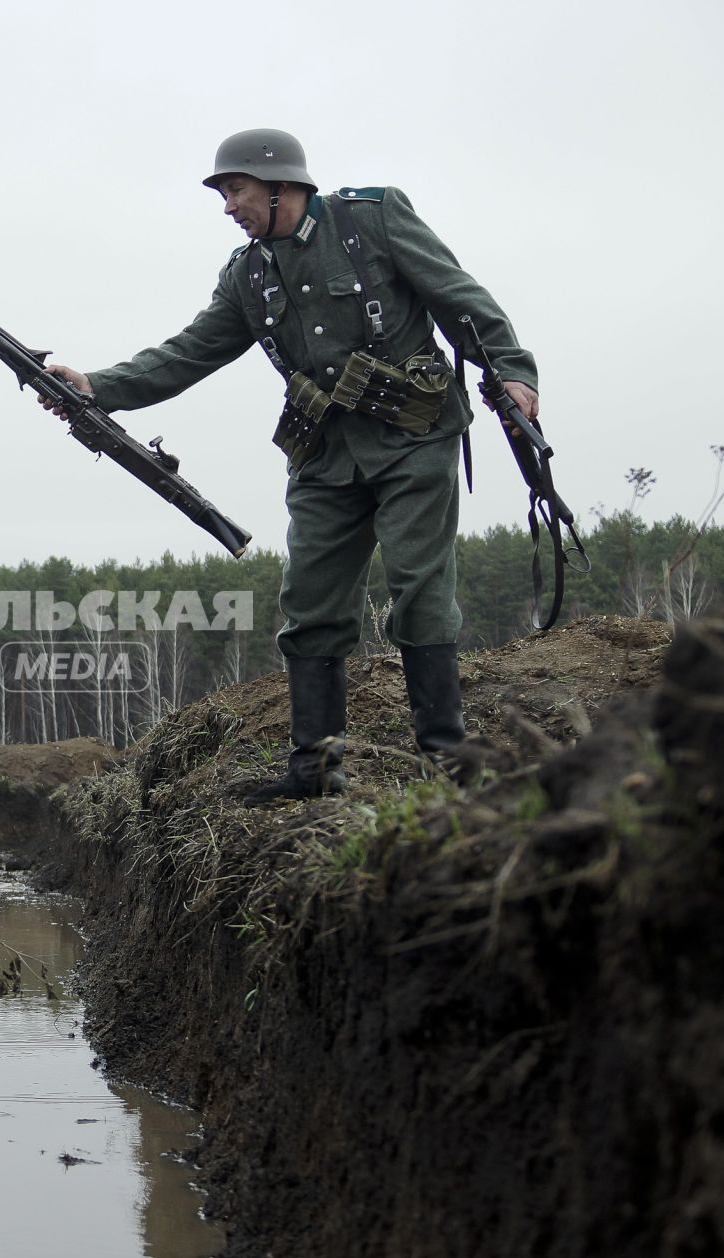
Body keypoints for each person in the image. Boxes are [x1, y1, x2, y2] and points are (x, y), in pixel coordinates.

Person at [41, 128, 537, 801]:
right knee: (308, 602)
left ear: (282, 186)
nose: (228, 206)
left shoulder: (372, 218)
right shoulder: (247, 274)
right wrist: (97, 386)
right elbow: (189, 352)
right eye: (223, 193)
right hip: (326, 453)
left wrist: (511, 370)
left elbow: (460, 299)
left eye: (235, 190)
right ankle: (313, 770)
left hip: (413, 436)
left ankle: (445, 764)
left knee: (419, 585)